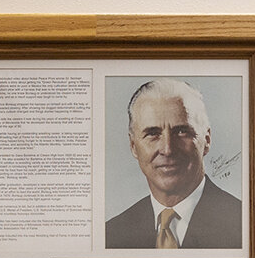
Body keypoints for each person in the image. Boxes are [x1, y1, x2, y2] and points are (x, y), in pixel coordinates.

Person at [103, 79, 242, 249]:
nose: (167, 149)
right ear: (133, 146)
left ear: (206, 140)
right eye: (153, 134)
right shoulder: (112, 234)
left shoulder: (243, 223)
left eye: (182, 131)